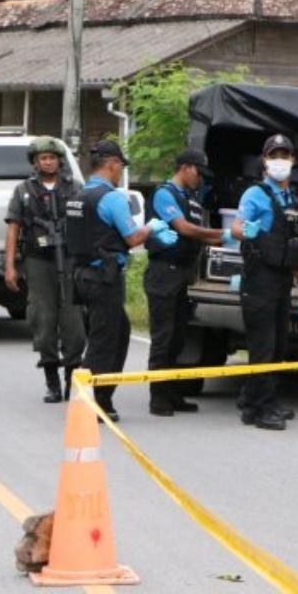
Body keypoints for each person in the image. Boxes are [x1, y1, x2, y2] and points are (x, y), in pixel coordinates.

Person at [65, 140, 176, 422]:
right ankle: (91, 404)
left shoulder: (78, 195)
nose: (121, 172)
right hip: (104, 278)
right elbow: (133, 237)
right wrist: (151, 227)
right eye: (120, 166)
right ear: (112, 163)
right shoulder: (111, 198)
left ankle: (100, 398)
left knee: (117, 332)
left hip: (81, 275)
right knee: (105, 341)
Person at [231, 134, 298, 431]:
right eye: (274, 156)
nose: (279, 161)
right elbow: (237, 227)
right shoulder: (255, 194)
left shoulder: (290, 198)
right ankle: (260, 409)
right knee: (263, 346)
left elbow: (293, 246)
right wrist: (247, 231)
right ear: (264, 160)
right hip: (259, 279)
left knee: (279, 345)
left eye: (284, 155)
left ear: (293, 160)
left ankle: (256, 399)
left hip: (282, 279)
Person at [145, 149, 234, 417]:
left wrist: (228, 240)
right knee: (163, 338)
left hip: (183, 273)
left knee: (178, 338)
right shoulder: (165, 194)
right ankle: (158, 397)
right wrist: (223, 233)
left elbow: (199, 235)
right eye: (198, 172)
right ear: (184, 167)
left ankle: (173, 392)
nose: (200, 179)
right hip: (164, 272)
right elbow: (184, 228)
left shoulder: (190, 198)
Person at [3, 137, 85, 404]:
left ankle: (72, 378)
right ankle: (52, 381)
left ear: (59, 161)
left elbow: (88, 222)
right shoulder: (24, 190)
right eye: (43, 158)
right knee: (43, 318)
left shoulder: (75, 187)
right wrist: (10, 266)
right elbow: (13, 228)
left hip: (70, 259)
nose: (48, 162)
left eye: (52, 158)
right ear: (35, 163)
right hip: (38, 260)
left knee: (73, 320)